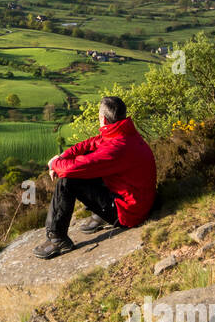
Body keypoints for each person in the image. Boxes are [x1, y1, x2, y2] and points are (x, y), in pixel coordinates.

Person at [33, 95, 157, 259]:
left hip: (128, 213)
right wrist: (62, 156)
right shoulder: (124, 133)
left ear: (103, 119)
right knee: (89, 159)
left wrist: (55, 164)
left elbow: (71, 169)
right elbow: (92, 143)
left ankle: (57, 239)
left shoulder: (117, 148)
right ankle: (101, 215)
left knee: (67, 180)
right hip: (136, 202)